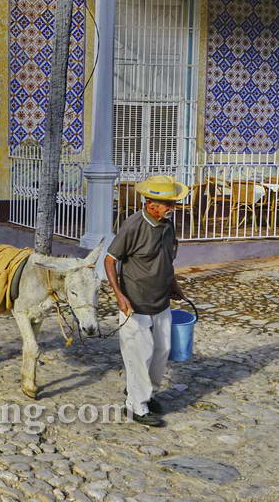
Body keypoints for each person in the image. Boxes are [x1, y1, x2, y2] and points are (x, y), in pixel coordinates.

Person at [104, 175, 187, 428]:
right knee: (140, 354)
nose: (173, 208)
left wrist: (173, 284)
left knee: (162, 351)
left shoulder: (168, 225)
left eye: (173, 203)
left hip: (161, 300)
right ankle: (136, 407)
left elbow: (167, 259)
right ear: (151, 204)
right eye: (168, 204)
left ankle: (144, 392)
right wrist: (119, 295)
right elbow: (110, 260)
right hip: (135, 302)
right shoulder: (133, 226)